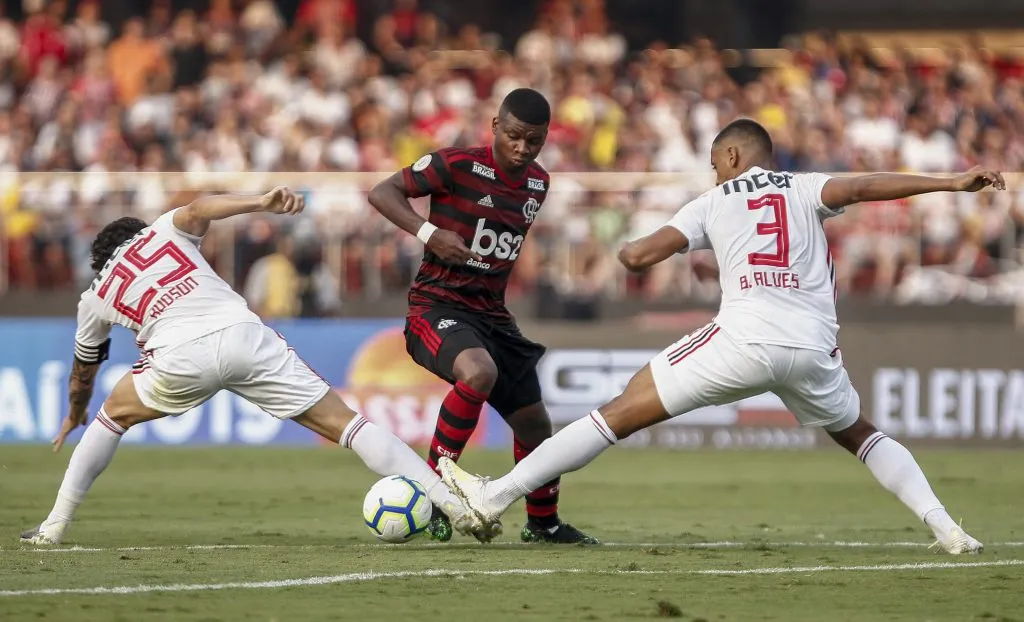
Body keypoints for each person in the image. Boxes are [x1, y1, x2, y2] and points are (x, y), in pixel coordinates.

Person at [440, 118, 1004, 555]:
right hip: (814, 350)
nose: (714, 174)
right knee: (861, 434)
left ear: (732, 157)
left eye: (715, 164)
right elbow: (861, 186)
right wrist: (951, 182)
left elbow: (638, 258)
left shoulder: (713, 201)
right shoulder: (807, 188)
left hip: (744, 340)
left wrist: (633, 246)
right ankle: (947, 527)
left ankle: (493, 497)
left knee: (617, 411)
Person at [20, 188, 497, 545]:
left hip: (176, 357)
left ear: (99, 261)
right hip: (243, 335)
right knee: (349, 425)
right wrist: (261, 202)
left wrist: (73, 413)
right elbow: (199, 208)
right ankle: (454, 506)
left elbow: (83, 371)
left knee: (110, 418)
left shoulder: (95, 296)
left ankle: (54, 526)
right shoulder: (162, 230)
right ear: (138, 232)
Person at [368, 88, 596, 544]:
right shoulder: (455, 165)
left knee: (535, 423)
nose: (522, 148)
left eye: (534, 140)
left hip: (493, 316)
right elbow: (381, 192)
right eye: (513, 136)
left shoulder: (538, 183)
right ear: (495, 126)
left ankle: (543, 523)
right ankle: (436, 496)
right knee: (478, 371)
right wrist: (429, 232)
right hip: (436, 307)